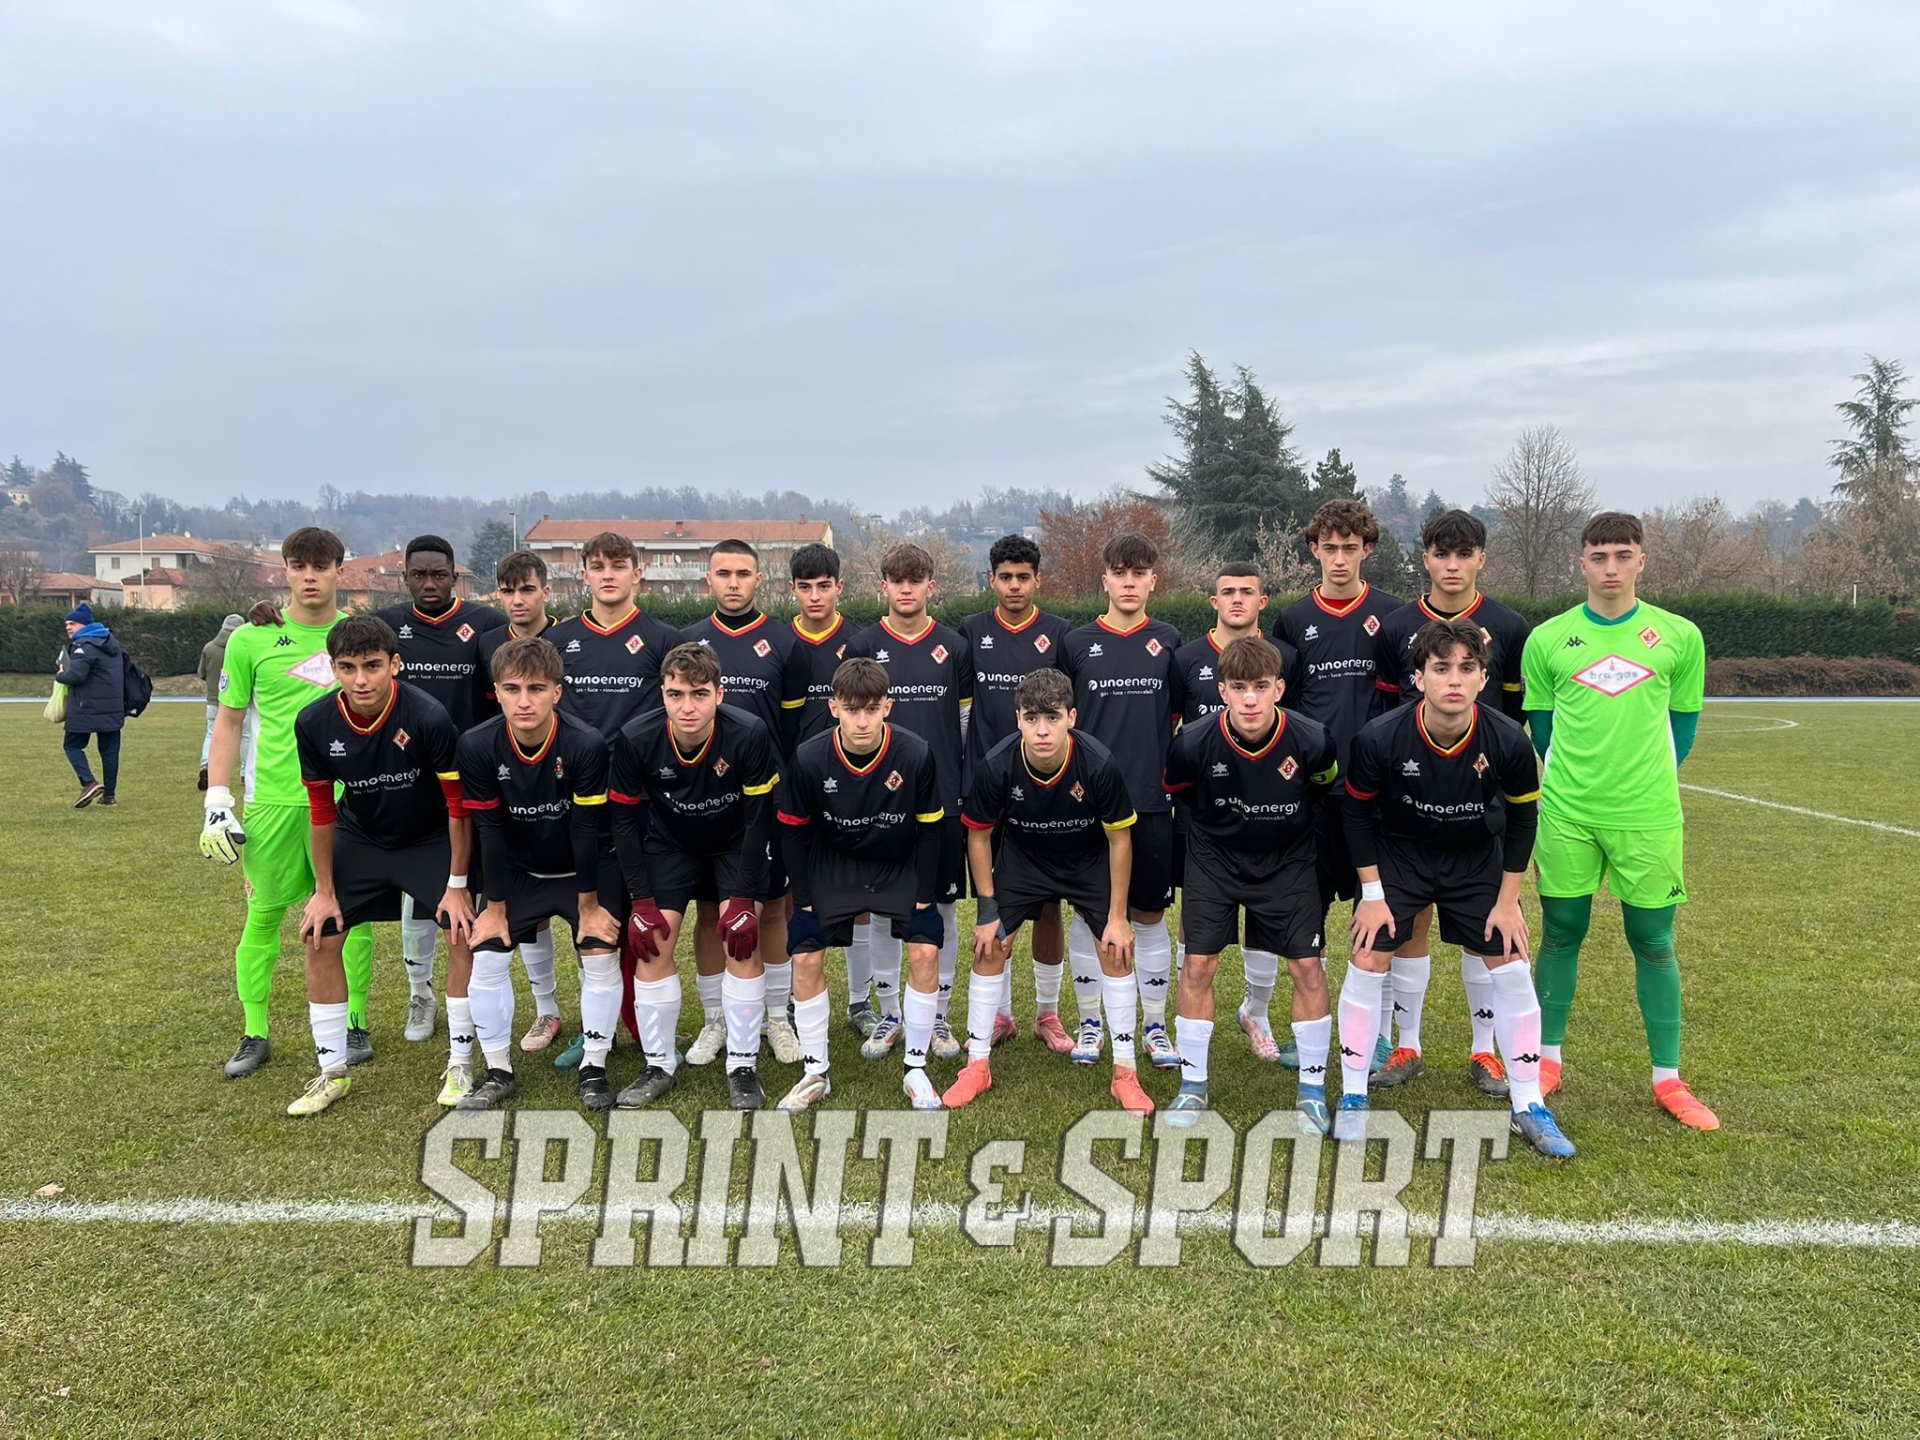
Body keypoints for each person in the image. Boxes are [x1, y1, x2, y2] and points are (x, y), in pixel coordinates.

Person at [1339, 617, 1574, 1158]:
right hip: (1401, 858)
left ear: (1483, 678)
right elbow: (1355, 815)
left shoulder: (1509, 740)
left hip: (1474, 862)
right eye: (1440, 668)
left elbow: (1523, 821)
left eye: (1466, 669)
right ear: (1418, 677)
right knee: (1368, 956)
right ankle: (1352, 1097)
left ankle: (1528, 1104)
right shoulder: (1380, 737)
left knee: (1512, 963)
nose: (1453, 679)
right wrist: (1371, 896)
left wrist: (1509, 900)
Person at [1520, 512, 1717, 1131]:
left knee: (1654, 941)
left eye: (1622, 555)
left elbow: (1681, 731)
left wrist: (1639, 782)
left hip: (1648, 815)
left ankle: (1668, 1079)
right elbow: (1543, 733)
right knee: (1560, 932)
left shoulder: (1679, 636)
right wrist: (1581, 782)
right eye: (1599, 555)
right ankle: (1545, 1062)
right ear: (1581, 562)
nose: (1610, 567)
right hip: (1568, 813)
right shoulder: (1547, 639)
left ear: (1641, 562)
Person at [1369, 508, 1535, 1096]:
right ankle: (1406, 1044)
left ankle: (1483, 1052)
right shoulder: (1395, 626)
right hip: (1410, 800)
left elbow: (1514, 715)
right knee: (1407, 922)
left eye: (1464, 554)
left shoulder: (1509, 625)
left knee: (1482, 927)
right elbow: (1386, 714)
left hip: (1480, 796)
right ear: (1426, 559)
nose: (1453, 565)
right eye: (1442, 553)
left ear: (1481, 559)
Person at [199, 528, 376, 1080]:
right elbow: (229, 723)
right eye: (299, 565)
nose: (310, 576)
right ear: (284, 569)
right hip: (277, 801)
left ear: (339, 572)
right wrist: (218, 800)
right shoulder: (252, 640)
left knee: (353, 917)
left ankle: (356, 1022)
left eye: (321, 566)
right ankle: (255, 1032)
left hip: (350, 802)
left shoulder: (357, 640)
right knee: (264, 917)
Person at [290, 616, 476, 1115]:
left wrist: (457, 885)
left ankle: (460, 1063)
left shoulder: (428, 715)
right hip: (362, 835)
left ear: (395, 664)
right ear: (332, 669)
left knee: (462, 932)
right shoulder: (313, 722)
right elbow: (322, 811)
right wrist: (323, 890)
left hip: (430, 836)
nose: (361, 680)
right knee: (320, 934)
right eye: (347, 668)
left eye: (373, 666)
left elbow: (459, 808)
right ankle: (331, 1071)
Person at [1164, 636, 1338, 1131]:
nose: (1249, 699)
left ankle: (1310, 1092)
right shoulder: (1192, 743)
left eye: (1261, 687)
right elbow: (1182, 795)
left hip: (1289, 861)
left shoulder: (1312, 738)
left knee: (1307, 967)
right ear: (1221, 691)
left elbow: (1325, 789)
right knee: (1198, 964)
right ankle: (1192, 1086)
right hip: (1214, 860)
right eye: (1238, 687)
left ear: (1279, 688)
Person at [958, 669, 1146, 1114]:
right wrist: (988, 910)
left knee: (1116, 949)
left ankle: (1126, 1073)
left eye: (1053, 718)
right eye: (1032, 718)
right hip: (1024, 859)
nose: (1042, 730)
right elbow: (979, 837)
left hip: (1085, 860)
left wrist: (1118, 917)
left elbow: (1120, 839)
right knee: (989, 946)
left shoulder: (1098, 764)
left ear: (1071, 717)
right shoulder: (997, 764)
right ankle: (976, 1066)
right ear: (1017, 719)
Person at [456, 636, 629, 1113]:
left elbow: (587, 826)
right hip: (520, 870)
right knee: (487, 957)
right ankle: (497, 1072)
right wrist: (494, 908)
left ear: (558, 691)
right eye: (512, 689)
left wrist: (589, 906)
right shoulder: (476, 745)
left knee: (599, 953)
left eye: (536, 688)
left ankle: (595, 1066)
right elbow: (488, 828)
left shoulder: (585, 743)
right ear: (496, 691)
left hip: (585, 867)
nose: (524, 700)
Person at [607, 643, 780, 1111]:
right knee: (652, 942)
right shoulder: (636, 737)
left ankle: (742, 1065)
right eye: (675, 694)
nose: (687, 707)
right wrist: (641, 902)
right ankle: (659, 1064)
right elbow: (622, 822)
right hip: (671, 843)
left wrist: (743, 897)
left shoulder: (748, 733)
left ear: (720, 694)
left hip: (734, 841)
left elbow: (759, 817)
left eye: (699, 694)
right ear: (661, 694)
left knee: (741, 938)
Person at [778, 658, 948, 1111]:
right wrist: (807, 902)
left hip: (898, 861)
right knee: (807, 955)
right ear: (833, 707)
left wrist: (925, 899)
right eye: (851, 709)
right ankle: (816, 1072)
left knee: (926, 949)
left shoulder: (914, 753)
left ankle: (915, 1069)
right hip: (835, 862)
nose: (861, 720)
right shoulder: (810, 757)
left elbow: (932, 829)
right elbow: (793, 832)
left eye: (871, 709)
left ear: (887, 707)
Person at [1271, 499, 1404, 1074]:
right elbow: (1287, 707)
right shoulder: (1292, 621)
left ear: (1367, 549)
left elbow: (1404, 705)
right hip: (1316, 794)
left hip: (1378, 793)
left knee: (1380, 911)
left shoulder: (1394, 617)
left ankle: (1371, 1031)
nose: (1340, 558)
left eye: (1351, 547)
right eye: (1330, 548)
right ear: (1314, 551)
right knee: (1310, 910)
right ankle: (1311, 1027)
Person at [544, 530, 685, 1070]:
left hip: (643, 797)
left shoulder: (660, 637)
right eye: (597, 565)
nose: (608, 574)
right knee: (596, 913)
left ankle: (638, 1019)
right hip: (579, 793)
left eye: (618, 565)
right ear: (583, 574)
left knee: (637, 908)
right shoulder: (563, 640)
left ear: (637, 572)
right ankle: (597, 1024)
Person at [373, 536, 508, 1047]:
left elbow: (503, 695)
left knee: (463, 887)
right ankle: (419, 992)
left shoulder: (487, 624)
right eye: (419, 574)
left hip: (470, 776)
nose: (429, 583)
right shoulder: (388, 626)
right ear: (405, 576)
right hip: (406, 778)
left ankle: (465, 991)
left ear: (455, 576)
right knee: (417, 891)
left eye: (439, 574)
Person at [682, 540, 810, 1067]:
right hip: (706, 803)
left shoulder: (784, 643)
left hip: (767, 800)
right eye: (723, 573)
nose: (733, 583)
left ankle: (777, 1017)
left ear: (761, 580)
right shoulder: (688, 643)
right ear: (706, 580)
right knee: (712, 909)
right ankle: (717, 1019)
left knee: (774, 907)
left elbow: (791, 729)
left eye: (743, 574)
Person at [1058, 533, 1184, 1072]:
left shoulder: (1170, 640)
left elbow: (1177, 718)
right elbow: (1063, 721)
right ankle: (1091, 1024)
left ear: (1154, 580)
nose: (1129, 581)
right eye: (1119, 572)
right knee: (1091, 915)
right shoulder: (1077, 642)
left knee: (1149, 915)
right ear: (1104, 580)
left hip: (1151, 802)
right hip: (1088, 802)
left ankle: (1154, 1027)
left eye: (1139, 572)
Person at [847, 543, 973, 1061]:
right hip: (879, 803)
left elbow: (964, 725)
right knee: (881, 909)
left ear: (930, 587)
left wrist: (959, 786)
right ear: (883, 586)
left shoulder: (954, 645)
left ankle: (938, 1017)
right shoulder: (862, 642)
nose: (906, 588)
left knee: (941, 906)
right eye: (896, 580)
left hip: (938, 801)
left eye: (915, 580)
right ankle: (889, 1014)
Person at [1172, 563, 1293, 1064]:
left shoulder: (1286, 657)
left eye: (1248, 591)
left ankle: (1256, 1012)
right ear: (1214, 601)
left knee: (1264, 916)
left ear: (1263, 601)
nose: (1238, 599)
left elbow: (1292, 727)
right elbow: (1175, 734)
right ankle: (1187, 1025)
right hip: (1205, 814)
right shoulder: (1186, 658)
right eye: (1228, 592)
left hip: (1269, 809)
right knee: (1196, 921)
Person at [957, 534, 1073, 1052]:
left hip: (1045, 790)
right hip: (991, 788)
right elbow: (962, 713)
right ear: (992, 580)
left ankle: (1047, 1014)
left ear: (1037, 580)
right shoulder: (971, 632)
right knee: (994, 901)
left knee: (1048, 906)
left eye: (1023, 577)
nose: (1014, 585)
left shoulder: (1059, 634)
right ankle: (999, 1013)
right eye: (1005, 577)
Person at [786, 542, 878, 1039]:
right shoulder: (782, 644)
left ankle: (860, 1000)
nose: (816, 596)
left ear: (840, 587)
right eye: (806, 587)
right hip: (800, 787)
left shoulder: (859, 642)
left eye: (825, 586)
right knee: (793, 894)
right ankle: (790, 998)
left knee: (860, 896)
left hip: (853, 789)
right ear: (793, 590)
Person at [478, 549, 566, 1054]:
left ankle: (603, 1023)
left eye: (527, 589)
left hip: (569, 781)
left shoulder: (569, 636)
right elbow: (483, 714)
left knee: (585, 908)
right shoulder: (489, 643)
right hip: (508, 782)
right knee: (526, 907)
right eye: (508, 590)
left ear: (545, 593)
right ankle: (546, 1011)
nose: (517, 600)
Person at [55, 603, 127, 809]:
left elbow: (76, 675)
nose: (68, 627)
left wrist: (60, 674)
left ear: (85, 625)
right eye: (67, 624)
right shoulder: (111, 643)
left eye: (72, 623)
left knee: (72, 744)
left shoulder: (83, 645)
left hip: (86, 706)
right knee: (110, 750)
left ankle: (89, 782)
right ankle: (110, 796)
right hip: (113, 706)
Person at [198, 614, 254, 793]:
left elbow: (201, 673)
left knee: (211, 734)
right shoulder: (244, 646)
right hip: (239, 701)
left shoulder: (209, 648)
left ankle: (207, 765)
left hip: (214, 701)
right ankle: (245, 773)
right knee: (246, 736)